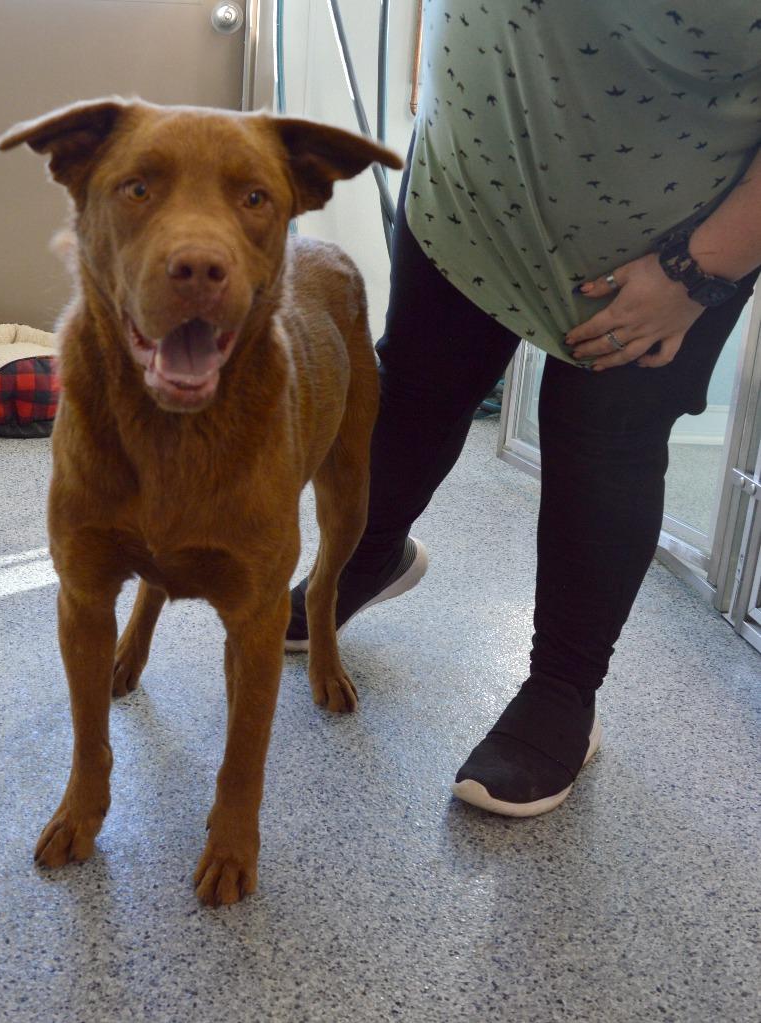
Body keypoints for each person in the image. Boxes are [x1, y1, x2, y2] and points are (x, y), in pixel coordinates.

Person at [285, 1, 761, 817]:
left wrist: (693, 271)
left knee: (601, 450)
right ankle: (367, 558)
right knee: (415, 392)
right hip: (468, 178)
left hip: (661, 246)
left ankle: (562, 693)